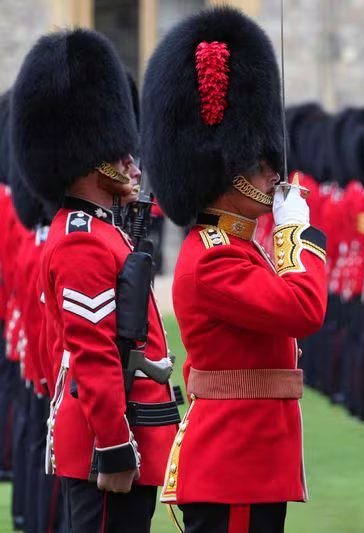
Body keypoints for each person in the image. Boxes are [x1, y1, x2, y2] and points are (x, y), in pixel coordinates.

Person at [140, 7, 327, 532]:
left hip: (250, 461)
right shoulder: (216, 256)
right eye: (260, 166)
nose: (273, 176)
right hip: (234, 465)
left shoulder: (238, 247)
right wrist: (298, 232)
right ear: (229, 174)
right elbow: (304, 308)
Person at [11, 29, 178, 531]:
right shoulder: (83, 240)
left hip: (125, 432)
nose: (130, 162)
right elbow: (93, 352)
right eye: (118, 152)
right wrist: (114, 446)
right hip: (108, 442)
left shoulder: (99, 231)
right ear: (89, 158)